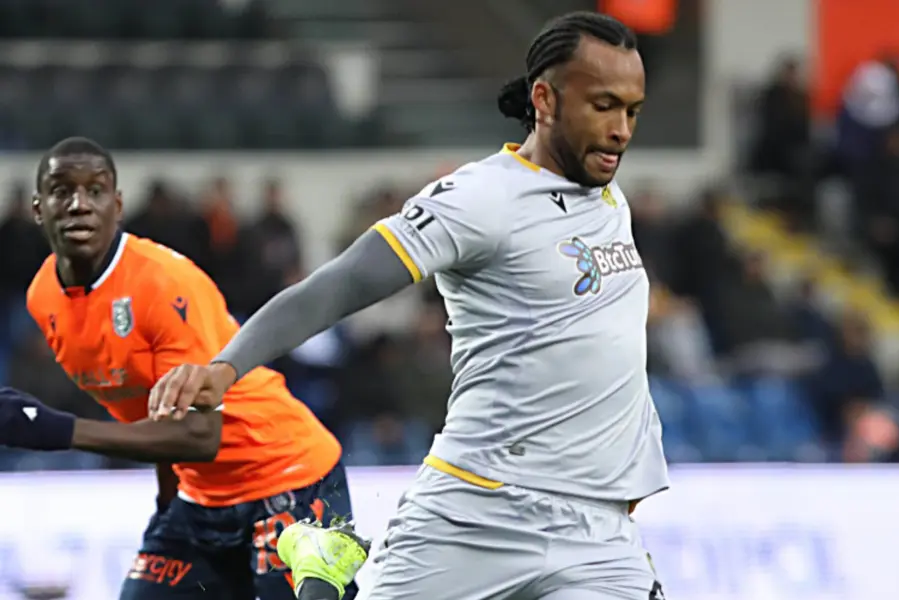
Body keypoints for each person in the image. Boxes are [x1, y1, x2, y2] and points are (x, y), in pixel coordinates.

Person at [148, 11, 669, 600]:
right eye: (604, 106)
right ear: (545, 99)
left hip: (599, 536)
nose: (622, 130)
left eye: (633, 111)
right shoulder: (482, 198)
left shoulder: (607, 195)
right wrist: (225, 367)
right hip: (481, 510)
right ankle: (322, 564)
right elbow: (342, 282)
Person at [0, 137, 366, 600]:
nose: (79, 204)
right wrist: (167, 502)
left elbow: (200, 435)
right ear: (37, 208)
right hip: (199, 499)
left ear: (118, 206)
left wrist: (58, 430)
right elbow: (150, 408)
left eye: (95, 191)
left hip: (288, 477)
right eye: (61, 190)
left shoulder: (162, 282)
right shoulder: (43, 298)